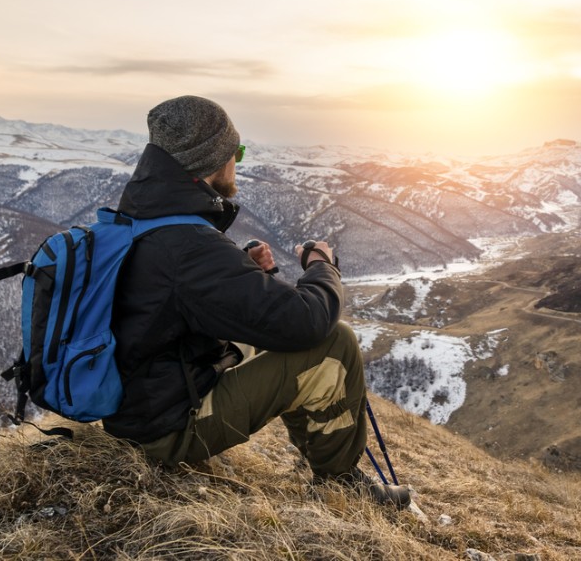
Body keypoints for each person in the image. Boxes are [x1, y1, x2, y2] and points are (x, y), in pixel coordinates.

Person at [101, 95, 409, 508]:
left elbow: (174, 303)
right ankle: (340, 485)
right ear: (215, 159)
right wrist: (322, 266)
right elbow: (306, 322)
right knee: (335, 343)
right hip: (164, 430)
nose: (237, 164)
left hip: (141, 404)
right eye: (237, 153)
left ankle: (321, 455)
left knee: (274, 339)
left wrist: (245, 274)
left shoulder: (143, 219)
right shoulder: (187, 244)